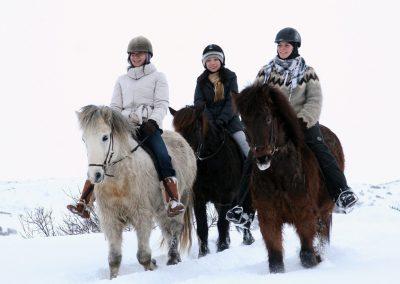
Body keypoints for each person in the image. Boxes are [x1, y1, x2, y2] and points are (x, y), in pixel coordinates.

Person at [67, 36, 184, 218]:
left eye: (140, 54)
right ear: (129, 57)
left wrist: (153, 121)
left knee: (162, 155)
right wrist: (115, 123)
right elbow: (115, 108)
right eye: (133, 54)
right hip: (123, 127)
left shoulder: (158, 77)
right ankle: (84, 202)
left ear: (148, 55)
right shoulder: (122, 80)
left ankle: (172, 200)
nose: (136, 57)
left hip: (148, 127)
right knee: (101, 155)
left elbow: (161, 104)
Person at [246, 27, 358, 216]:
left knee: (319, 147)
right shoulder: (265, 72)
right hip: (272, 125)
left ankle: (342, 191)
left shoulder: (307, 72)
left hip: (301, 121)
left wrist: (303, 119)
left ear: (295, 47)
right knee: (254, 153)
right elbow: (253, 100)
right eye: (280, 45)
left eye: (287, 45)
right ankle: (243, 208)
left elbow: (314, 99)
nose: (282, 49)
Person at [194, 44, 255, 228]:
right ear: (204, 63)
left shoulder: (230, 76)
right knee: (195, 146)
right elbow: (199, 102)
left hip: (230, 122)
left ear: (221, 60)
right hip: (209, 124)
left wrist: (221, 120)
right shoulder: (200, 81)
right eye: (208, 60)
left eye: (215, 59)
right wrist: (210, 121)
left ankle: (252, 178)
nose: (212, 63)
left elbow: (232, 101)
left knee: (245, 147)